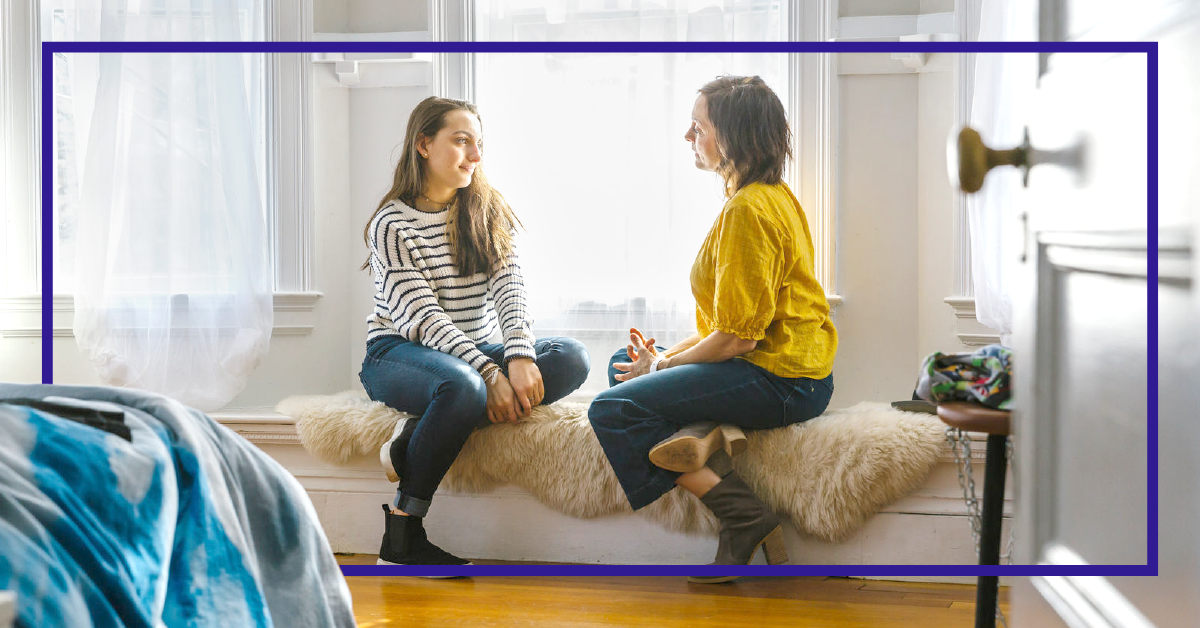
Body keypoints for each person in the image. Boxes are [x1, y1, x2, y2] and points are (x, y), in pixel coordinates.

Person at [587, 76, 838, 582]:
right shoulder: (766, 195)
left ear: (731, 135)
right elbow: (732, 325)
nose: (688, 137)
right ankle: (695, 436)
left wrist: (662, 365)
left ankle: (742, 517)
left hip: (783, 380)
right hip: (782, 369)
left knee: (611, 408)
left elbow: (739, 339)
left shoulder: (749, 209)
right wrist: (653, 365)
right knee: (621, 371)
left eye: (697, 126)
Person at [359, 96, 590, 566]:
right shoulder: (392, 222)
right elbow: (422, 318)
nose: (475, 156)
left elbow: (512, 289)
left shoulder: (485, 208)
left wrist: (520, 355)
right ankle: (402, 535)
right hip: (400, 351)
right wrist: (489, 370)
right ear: (423, 144)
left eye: (478, 143)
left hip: (470, 347)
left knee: (570, 357)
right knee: (462, 386)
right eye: (461, 141)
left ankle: (413, 438)